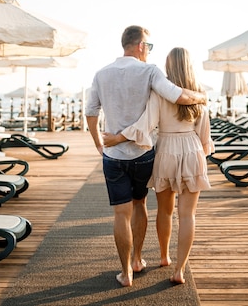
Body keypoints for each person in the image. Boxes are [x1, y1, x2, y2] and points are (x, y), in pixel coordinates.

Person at [85, 26, 207, 288]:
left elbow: (92, 113)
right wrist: (201, 96)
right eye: (148, 46)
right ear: (140, 45)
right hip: (154, 155)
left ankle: (130, 270)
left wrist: (101, 143)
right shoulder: (151, 73)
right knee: (150, 207)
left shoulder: (100, 73)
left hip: (121, 155)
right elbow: (179, 99)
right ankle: (152, 262)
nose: (149, 52)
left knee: (126, 213)